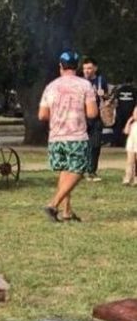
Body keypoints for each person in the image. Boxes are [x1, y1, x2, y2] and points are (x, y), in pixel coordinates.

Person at [39, 51, 98, 222]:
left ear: (60, 67)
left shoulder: (50, 86)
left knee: (66, 171)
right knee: (79, 170)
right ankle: (53, 205)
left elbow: (42, 115)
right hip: (76, 135)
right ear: (77, 66)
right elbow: (93, 113)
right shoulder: (85, 85)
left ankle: (67, 211)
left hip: (56, 137)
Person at [81, 57, 108, 181]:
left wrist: (103, 94)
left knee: (95, 145)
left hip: (96, 117)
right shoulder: (79, 81)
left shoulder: (101, 81)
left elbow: (107, 97)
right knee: (81, 145)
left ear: (95, 69)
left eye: (89, 68)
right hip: (82, 117)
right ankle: (81, 170)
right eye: (85, 68)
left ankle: (92, 171)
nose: (87, 70)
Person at [114, 77, 136, 149]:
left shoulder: (119, 90)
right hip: (130, 112)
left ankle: (117, 142)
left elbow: (115, 101)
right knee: (130, 126)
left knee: (118, 127)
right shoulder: (134, 90)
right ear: (132, 82)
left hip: (120, 111)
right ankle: (127, 142)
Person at [123, 109, 137, 185]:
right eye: (135, 113)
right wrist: (128, 122)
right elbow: (126, 131)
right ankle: (128, 177)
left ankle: (136, 178)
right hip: (131, 144)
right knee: (130, 162)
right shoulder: (132, 124)